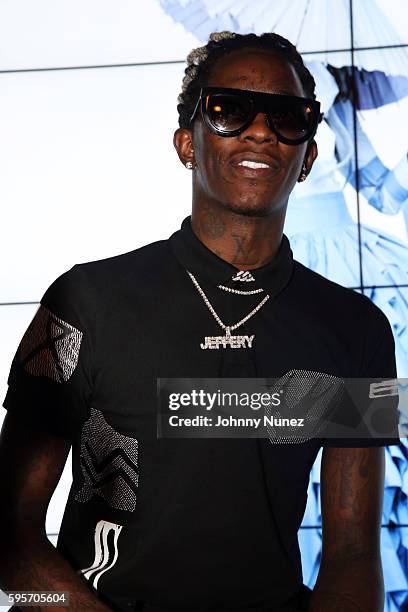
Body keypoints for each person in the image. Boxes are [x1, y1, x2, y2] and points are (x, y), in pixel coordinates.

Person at [0, 31, 401, 612]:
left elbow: (354, 558)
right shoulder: (85, 302)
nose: (260, 130)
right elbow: (9, 548)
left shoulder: (356, 329)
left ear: (309, 154)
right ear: (187, 143)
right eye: (228, 110)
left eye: (289, 116)